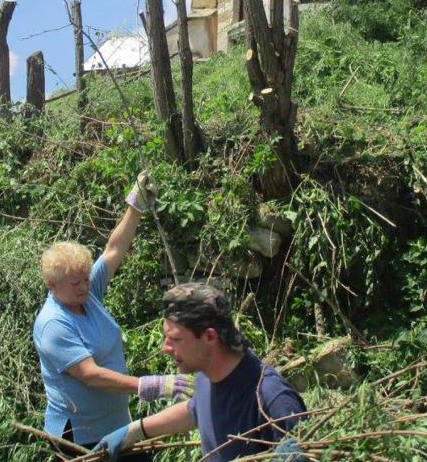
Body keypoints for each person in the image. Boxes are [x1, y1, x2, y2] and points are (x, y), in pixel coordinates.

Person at [33, 173, 193, 460]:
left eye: (85, 278)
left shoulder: (87, 292)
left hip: (116, 423)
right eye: (76, 283)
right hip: (81, 436)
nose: (84, 286)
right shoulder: (53, 325)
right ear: (51, 285)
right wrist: (151, 386)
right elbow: (90, 375)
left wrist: (136, 205)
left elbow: (114, 249)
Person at [95, 283, 309, 462]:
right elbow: (195, 410)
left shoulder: (273, 399)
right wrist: (135, 430)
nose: (165, 348)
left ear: (209, 337)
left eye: (176, 339)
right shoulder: (207, 375)